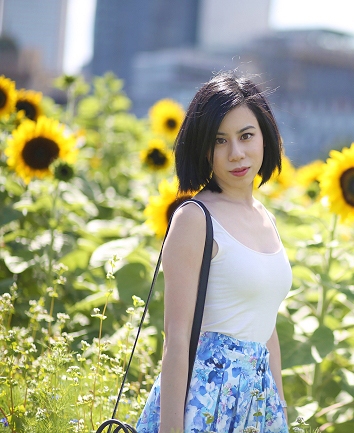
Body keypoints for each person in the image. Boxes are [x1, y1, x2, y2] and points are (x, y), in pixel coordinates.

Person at [136, 72, 291, 433]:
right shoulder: (195, 218)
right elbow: (176, 337)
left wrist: (279, 413)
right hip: (206, 402)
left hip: (259, 402)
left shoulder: (266, 218)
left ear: (265, 137)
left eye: (246, 136)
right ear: (204, 148)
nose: (236, 153)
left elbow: (267, 329)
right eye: (220, 141)